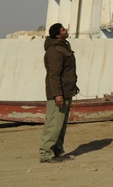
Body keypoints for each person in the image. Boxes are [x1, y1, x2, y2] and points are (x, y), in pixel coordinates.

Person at [40, 23, 78, 163]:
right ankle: (46, 154)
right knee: (53, 124)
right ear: (57, 35)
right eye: (63, 29)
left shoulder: (63, 47)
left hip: (66, 92)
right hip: (58, 94)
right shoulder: (55, 50)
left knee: (60, 125)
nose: (66, 30)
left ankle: (58, 152)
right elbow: (54, 75)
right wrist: (57, 94)